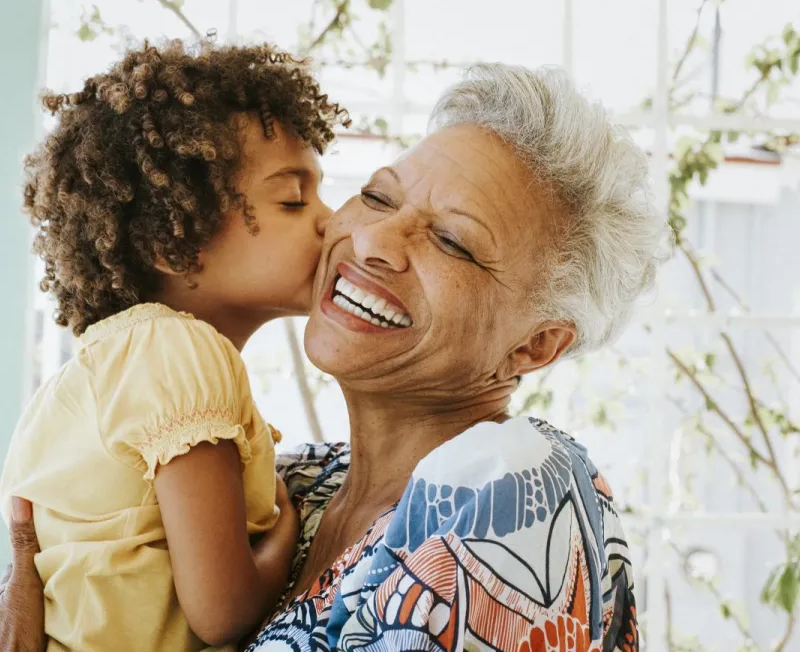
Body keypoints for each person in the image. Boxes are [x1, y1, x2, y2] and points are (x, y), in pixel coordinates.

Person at [2, 64, 667, 651]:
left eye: (453, 241)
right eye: (378, 196)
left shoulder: (513, 491)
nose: (372, 238)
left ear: (535, 344)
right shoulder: (295, 482)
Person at [0, 40, 347, 651]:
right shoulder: (182, 352)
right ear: (175, 242)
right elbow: (223, 612)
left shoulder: (106, 368)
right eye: (293, 199)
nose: (331, 219)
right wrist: (292, 539)